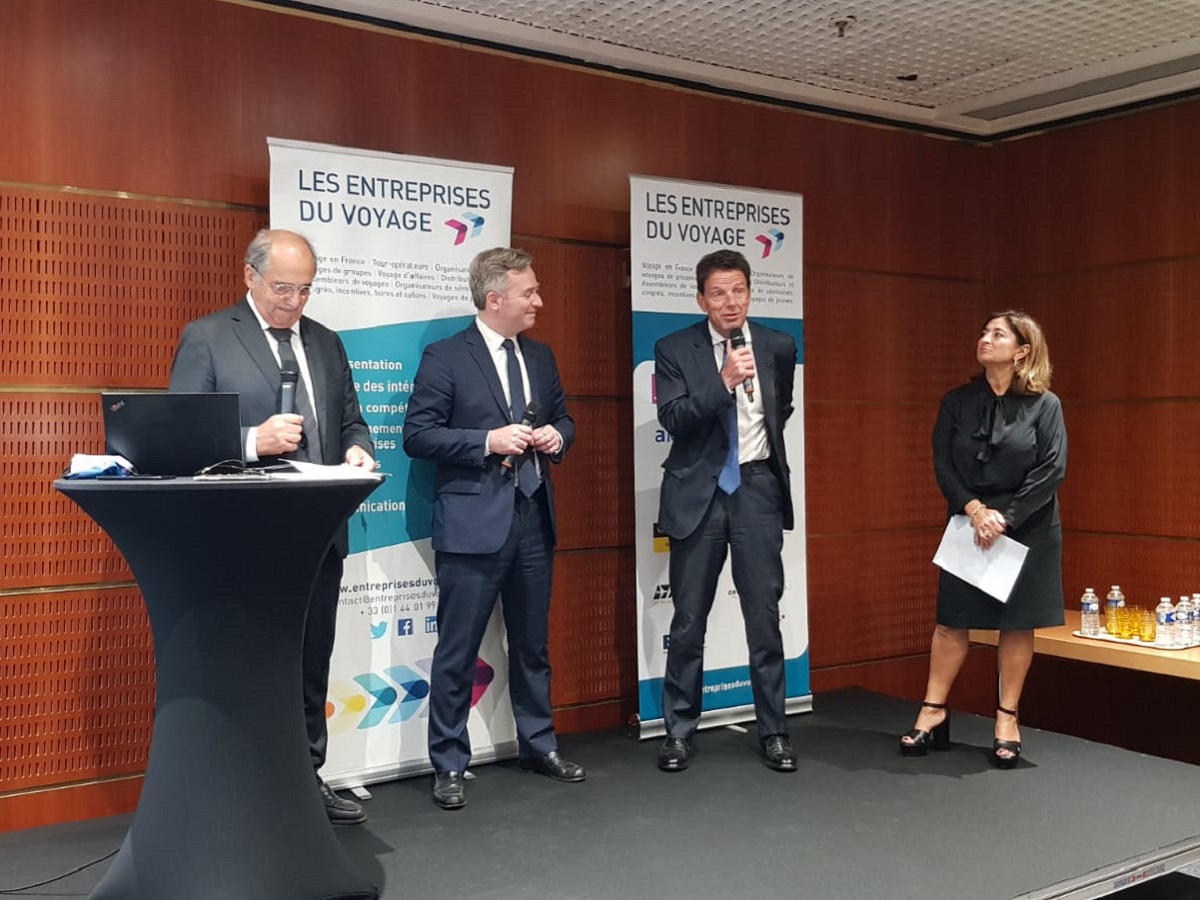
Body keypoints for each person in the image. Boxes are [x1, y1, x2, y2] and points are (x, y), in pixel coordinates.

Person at [169, 229, 376, 822]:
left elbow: (352, 420)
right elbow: (178, 442)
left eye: (306, 289)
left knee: (312, 663)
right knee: (248, 665)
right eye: (283, 287)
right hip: (243, 538)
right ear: (249, 276)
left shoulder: (327, 343)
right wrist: (250, 442)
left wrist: (358, 449)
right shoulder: (208, 338)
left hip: (319, 531)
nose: (295, 301)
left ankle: (306, 780)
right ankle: (238, 788)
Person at [402, 246, 584, 810]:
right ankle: (449, 762)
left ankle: (537, 745)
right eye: (529, 292)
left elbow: (565, 417)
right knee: (457, 649)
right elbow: (418, 436)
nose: (539, 301)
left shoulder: (543, 357)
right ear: (495, 298)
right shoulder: (446, 356)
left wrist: (558, 437)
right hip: (472, 524)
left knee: (532, 645)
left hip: (533, 519)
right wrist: (487, 440)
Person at [900, 310, 1066, 769]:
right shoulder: (957, 401)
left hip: (1027, 524)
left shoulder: (1045, 405)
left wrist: (1005, 519)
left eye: (998, 335)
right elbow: (942, 461)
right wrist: (974, 510)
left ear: (1023, 351)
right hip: (968, 520)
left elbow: (1052, 468)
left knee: (1017, 622)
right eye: (984, 332)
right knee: (952, 619)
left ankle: (1007, 719)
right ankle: (933, 710)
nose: (985, 339)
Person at [653, 248, 798, 774]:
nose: (729, 302)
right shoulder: (673, 348)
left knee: (763, 617)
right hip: (698, 494)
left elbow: (779, 411)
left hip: (757, 488)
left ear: (750, 293)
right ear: (701, 299)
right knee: (689, 619)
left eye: (738, 290)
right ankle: (678, 732)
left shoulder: (779, 346)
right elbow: (675, 416)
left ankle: (775, 731)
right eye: (718, 293)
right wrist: (724, 382)